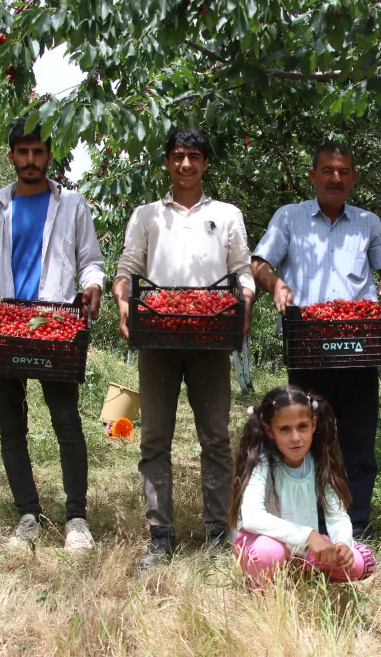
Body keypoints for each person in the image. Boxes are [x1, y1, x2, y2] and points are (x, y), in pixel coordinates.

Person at [112, 128, 256, 569]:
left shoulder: (227, 215)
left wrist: (244, 303)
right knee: (154, 437)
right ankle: (161, 535)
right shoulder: (147, 215)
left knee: (215, 436)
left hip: (211, 338)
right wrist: (123, 302)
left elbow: (242, 272)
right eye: (178, 156)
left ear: (206, 163)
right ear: (167, 162)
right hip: (158, 336)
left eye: (194, 156)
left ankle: (218, 532)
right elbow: (128, 268)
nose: (186, 165)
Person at [251, 141, 381, 539]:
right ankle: (309, 524)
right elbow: (260, 263)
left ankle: (357, 524)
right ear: (313, 175)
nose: (335, 178)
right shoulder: (289, 218)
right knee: (305, 437)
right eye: (327, 170)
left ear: (352, 178)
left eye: (343, 171)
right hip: (308, 348)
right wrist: (276, 284)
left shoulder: (368, 223)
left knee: (357, 438)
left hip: (357, 348)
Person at [0, 121, 106, 551]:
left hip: (56, 324)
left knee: (66, 420)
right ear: (11, 157)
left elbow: (90, 260)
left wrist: (93, 285)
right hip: (6, 325)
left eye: (38, 152)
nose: (30, 160)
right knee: (12, 424)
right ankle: (28, 513)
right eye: (22, 152)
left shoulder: (72, 205)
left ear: (49, 156)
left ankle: (76, 518)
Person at [230, 385, 376, 587]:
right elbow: (252, 517)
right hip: (264, 545)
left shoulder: (318, 462)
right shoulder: (263, 462)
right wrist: (308, 536)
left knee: (360, 563)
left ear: (313, 424)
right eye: (284, 429)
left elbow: (337, 514)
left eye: (302, 426)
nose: (295, 437)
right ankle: (265, 585)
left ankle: (300, 572)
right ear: (269, 431)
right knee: (267, 553)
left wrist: (342, 544)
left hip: (303, 549)